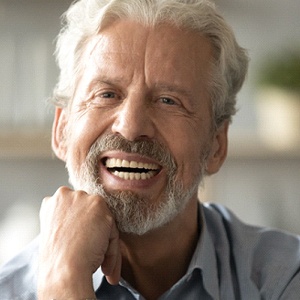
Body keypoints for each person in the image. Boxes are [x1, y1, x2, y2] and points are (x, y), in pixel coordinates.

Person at [0, 0, 299, 299]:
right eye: (106, 94)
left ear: (216, 145)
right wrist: (64, 273)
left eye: (169, 100)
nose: (130, 127)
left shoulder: (285, 278)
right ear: (62, 130)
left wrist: (64, 288)